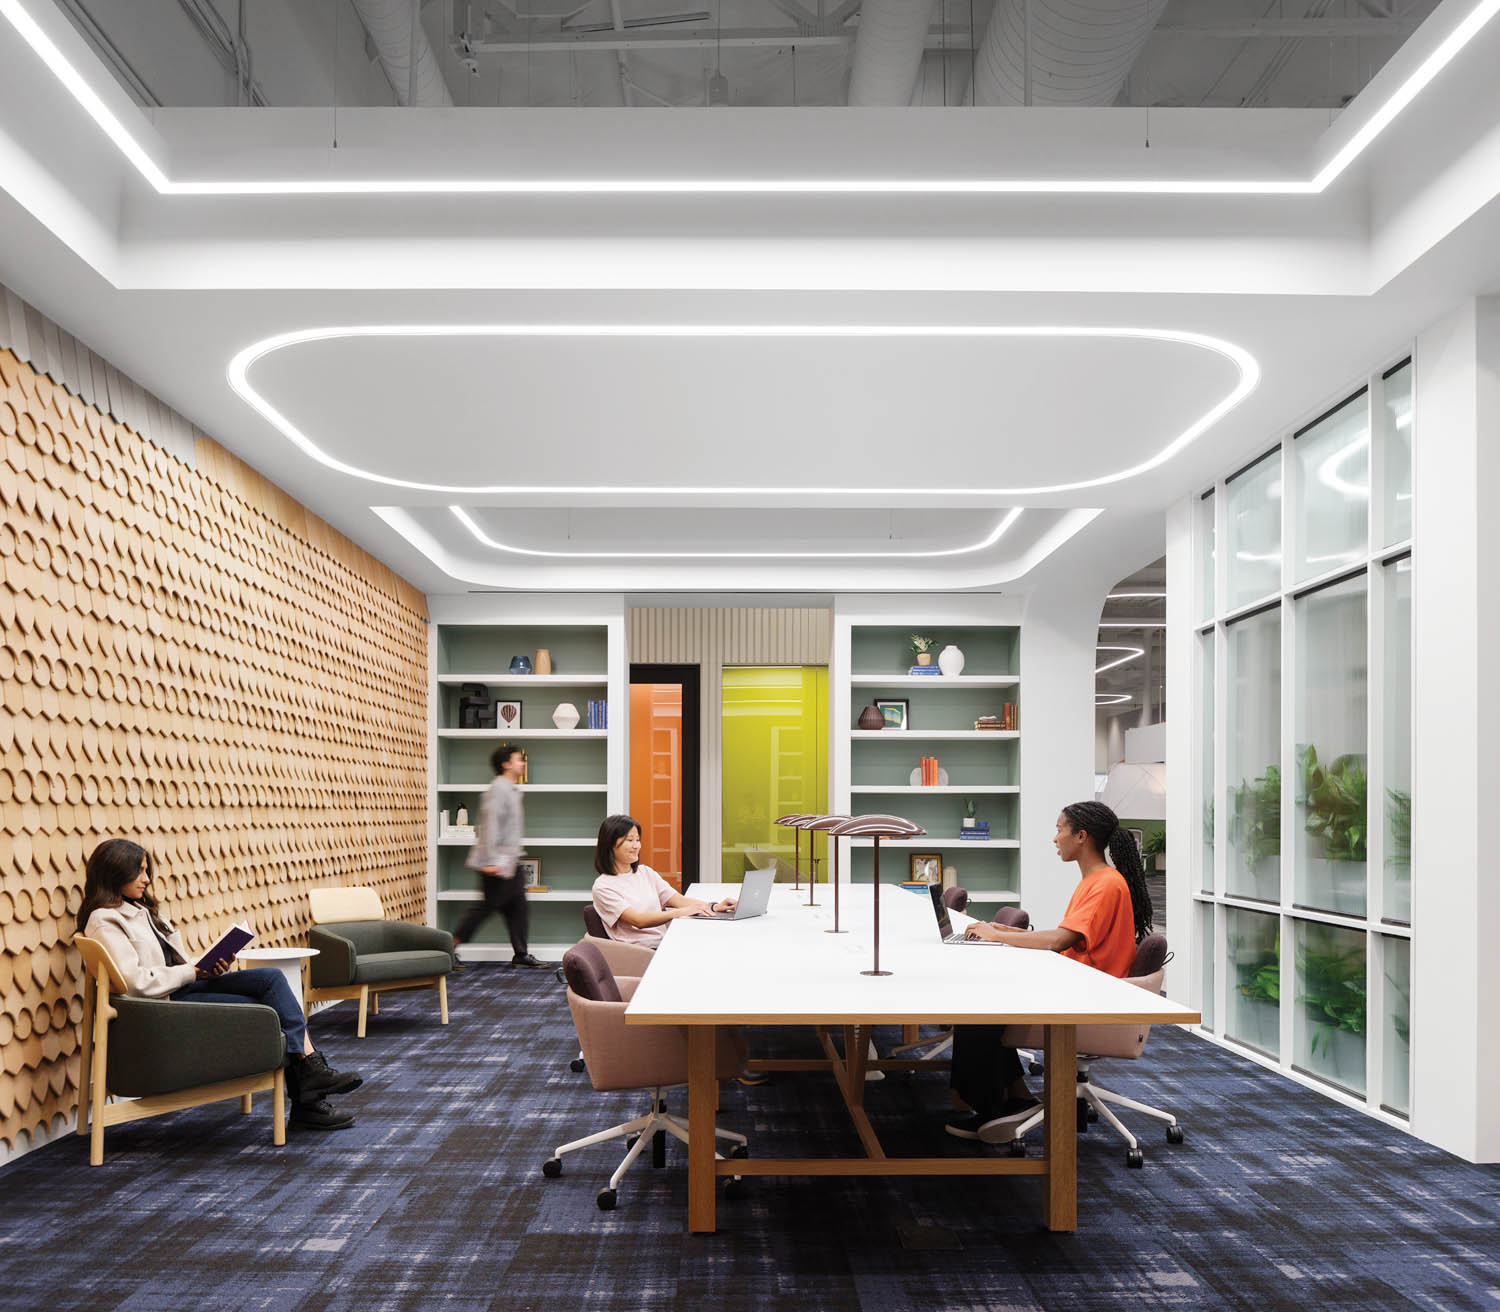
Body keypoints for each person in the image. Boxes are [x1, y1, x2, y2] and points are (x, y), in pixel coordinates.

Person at [75, 838, 363, 1131]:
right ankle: (309, 1096)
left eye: (146, 871)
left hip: (181, 988)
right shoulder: (105, 920)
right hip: (162, 1007)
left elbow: (172, 964)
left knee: (271, 979)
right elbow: (134, 983)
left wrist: (207, 964)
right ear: (114, 873)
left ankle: (311, 1072)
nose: (147, 879)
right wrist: (193, 972)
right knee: (267, 1010)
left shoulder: (141, 910)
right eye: (138, 872)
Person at [945, 800, 1154, 1144]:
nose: (1055, 839)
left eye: (1060, 830)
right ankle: (1016, 1097)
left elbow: (1060, 941)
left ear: (1081, 836)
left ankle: (990, 1106)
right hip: (1082, 984)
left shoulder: (1104, 884)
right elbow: (1070, 938)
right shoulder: (1097, 881)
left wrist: (997, 935)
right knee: (986, 997)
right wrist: (1006, 932)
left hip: (1091, 997)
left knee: (980, 1008)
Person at [453, 743, 544, 968]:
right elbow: (490, 825)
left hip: (509, 862)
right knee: (484, 909)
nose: (522, 763)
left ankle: (521, 954)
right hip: (497, 863)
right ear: (506, 764)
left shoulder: (511, 790)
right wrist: (492, 860)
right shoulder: (498, 790)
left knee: (518, 907)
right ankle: (448, 947)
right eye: (517, 759)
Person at [590, 813, 736, 949]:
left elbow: (678, 900)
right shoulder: (603, 887)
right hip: (641, 951)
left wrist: (714, 907)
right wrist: (680, 913)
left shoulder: (645, 872)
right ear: (610, 844)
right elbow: (638, 920)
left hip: (664, 942)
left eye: (638, 840)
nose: (636, 846)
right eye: (629, 840)